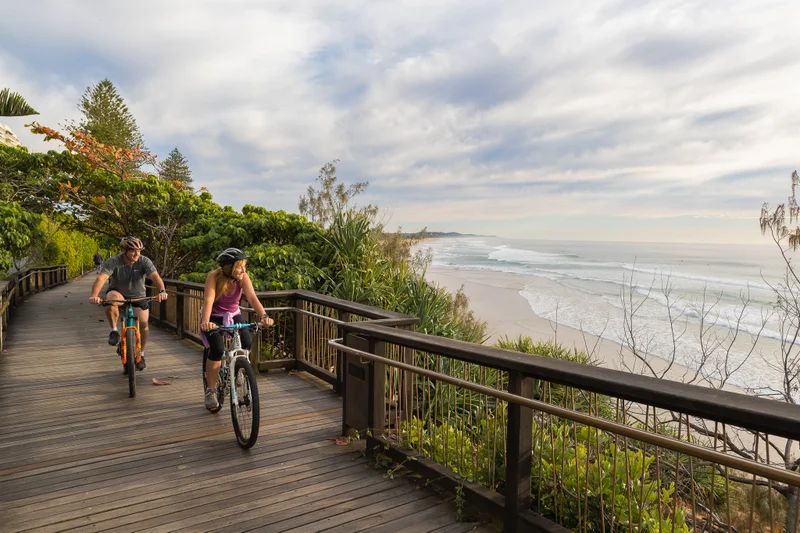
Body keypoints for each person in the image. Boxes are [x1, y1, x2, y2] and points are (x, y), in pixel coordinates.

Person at [200, 248, 273, 410]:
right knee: (217, 350)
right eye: (239, 266)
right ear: (228, 267)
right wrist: (206, 321)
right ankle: (211, 390)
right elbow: (208, 301)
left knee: (247, 342)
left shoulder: (243, 278)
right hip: (214, 316)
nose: (243, 270)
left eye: (244, 266)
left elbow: (252, 298)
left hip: (233, 314)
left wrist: (264, 315)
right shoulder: (213, 277)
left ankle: (238, 368)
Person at [88, 236, 168, 373]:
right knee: (111, 298)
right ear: (124, 250)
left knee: (144, 325)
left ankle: (141, 354)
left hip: (139, 297)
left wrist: (162, 291)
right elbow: (101, 278)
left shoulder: (144, 261)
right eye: (133, 251)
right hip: (119, 294)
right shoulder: (114, 261)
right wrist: (94, 295)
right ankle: (114, 331)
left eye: (139, 251)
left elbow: (155, 277)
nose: (137, 254)